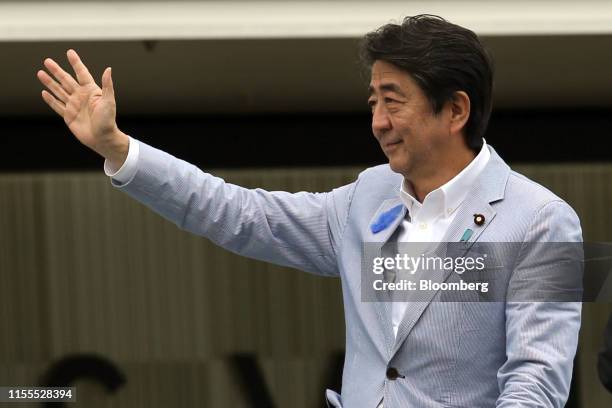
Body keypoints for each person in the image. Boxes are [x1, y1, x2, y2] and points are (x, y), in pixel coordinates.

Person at [37, 14, 582, 408]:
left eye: (394, 101)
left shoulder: (542, 220)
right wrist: (118, 148)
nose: (378, 122)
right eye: (373, 103)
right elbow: (240, 214)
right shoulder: (368, 197)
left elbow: (536, 383)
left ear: (456, 109)